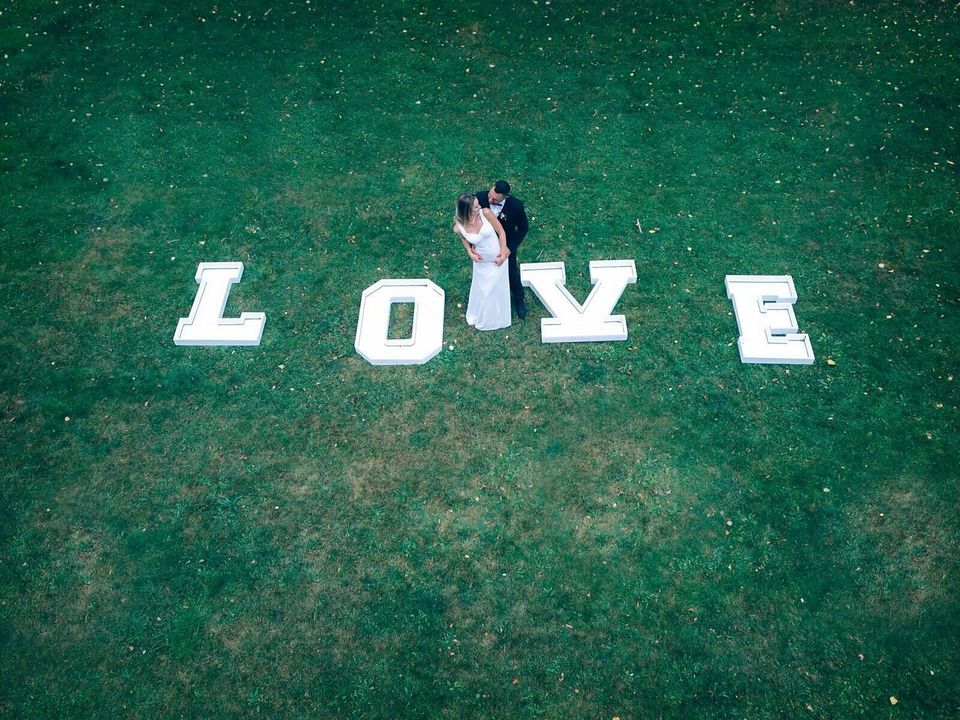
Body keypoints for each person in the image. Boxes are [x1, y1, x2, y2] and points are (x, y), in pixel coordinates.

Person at [452, 192, 511, 331]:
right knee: (483, 289)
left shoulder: (486, 213)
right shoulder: (459, 225)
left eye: (478, 205)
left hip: (497, 258)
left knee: (493, 289)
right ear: (467, 210)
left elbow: (501, 233)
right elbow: (463, 236)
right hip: (481, 262)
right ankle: (483, 313)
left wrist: (502, 255)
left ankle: (497, 317)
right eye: (476, 207)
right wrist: (469, 251)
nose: (480, 207)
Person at [476, 180, 529, 318]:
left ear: (505, 197)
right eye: (490, 195)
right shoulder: (480, 198)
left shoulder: (516, 206)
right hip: (485, 244)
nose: (489, 199)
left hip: (506, 244)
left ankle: (518, 298)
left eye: (494, 199)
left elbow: (523, 229)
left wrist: (509, 249)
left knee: (511, 270)